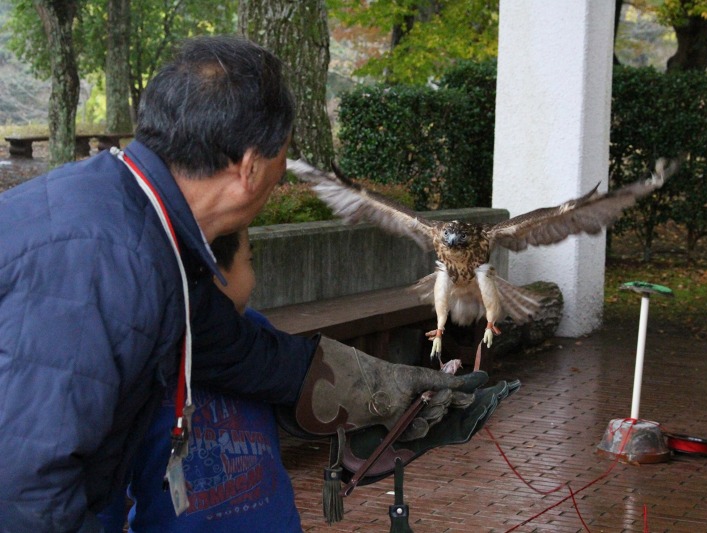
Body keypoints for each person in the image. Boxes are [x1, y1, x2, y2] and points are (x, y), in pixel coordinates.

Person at [0, 35, 513, 532]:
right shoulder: (101, 256)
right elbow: (26, 490)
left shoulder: (145, 229)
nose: (282, 173)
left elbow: (233, 349)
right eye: (282, 155)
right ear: (250, 167)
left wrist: (383, 389)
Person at [99, 228, 302, 531]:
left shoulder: (256, 332)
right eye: (249, 261)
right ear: (212, 271)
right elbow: (100, 494)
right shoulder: (137, 352)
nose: (253, 278)